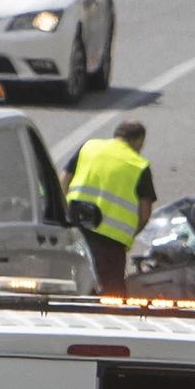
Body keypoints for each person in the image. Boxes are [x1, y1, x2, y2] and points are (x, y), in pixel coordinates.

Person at [63, 118, 156, 294]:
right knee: (111, 294)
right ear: (138, 141)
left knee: (70, 280)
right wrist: (130, 232)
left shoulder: (89, 148)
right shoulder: (139, 165)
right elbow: (144, 214)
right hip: (111, 243)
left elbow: (63, 180)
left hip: (76, 229)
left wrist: (62, 215)